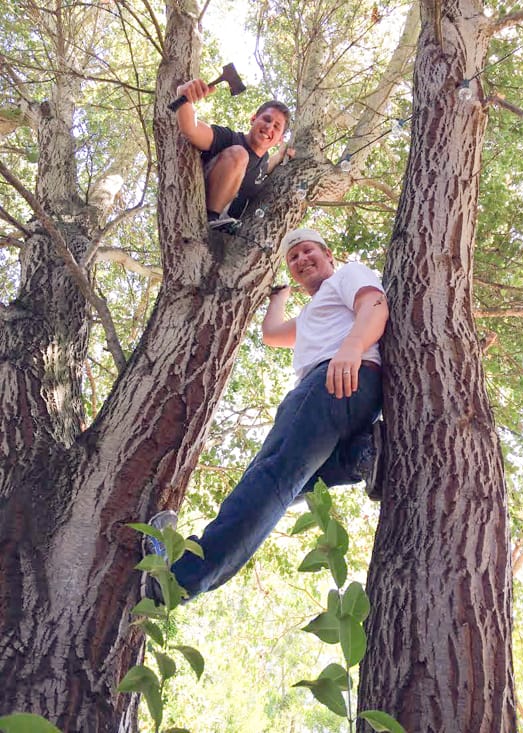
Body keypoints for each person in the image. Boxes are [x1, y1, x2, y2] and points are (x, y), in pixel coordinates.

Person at [144, 228, 389, 603]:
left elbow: (374, 304)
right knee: (293, 485)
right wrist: (279, 297)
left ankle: (179, 579)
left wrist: (352, 347)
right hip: (348, 394)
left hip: (336, 378)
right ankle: (360, 456)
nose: (301, 260)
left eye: (308, 251)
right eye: (293, 259)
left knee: (272, 474)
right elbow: (273, 334)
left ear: (329, 254)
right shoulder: (314, 311)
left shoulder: (347, 275)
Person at [175, 78, 293, 228]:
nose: (269, 127)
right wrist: (183, 97)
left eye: (276, 127)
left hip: (228, 236)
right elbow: (191, 130)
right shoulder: (229, 138)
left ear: (280, 139)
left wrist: (282, 154)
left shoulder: (263, 162)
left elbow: (269, 165)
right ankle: (213, 219)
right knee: (239, 154)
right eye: (266, 119)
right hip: (200, 212)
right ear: (253, 119)